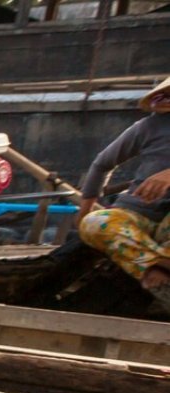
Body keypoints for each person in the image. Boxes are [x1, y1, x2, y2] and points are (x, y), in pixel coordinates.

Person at [78, 77, 170, 292]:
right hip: (139, 215)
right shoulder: (149, 126)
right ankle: (153, 268)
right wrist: (84, 212)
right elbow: (102, 164)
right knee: (94, 222)